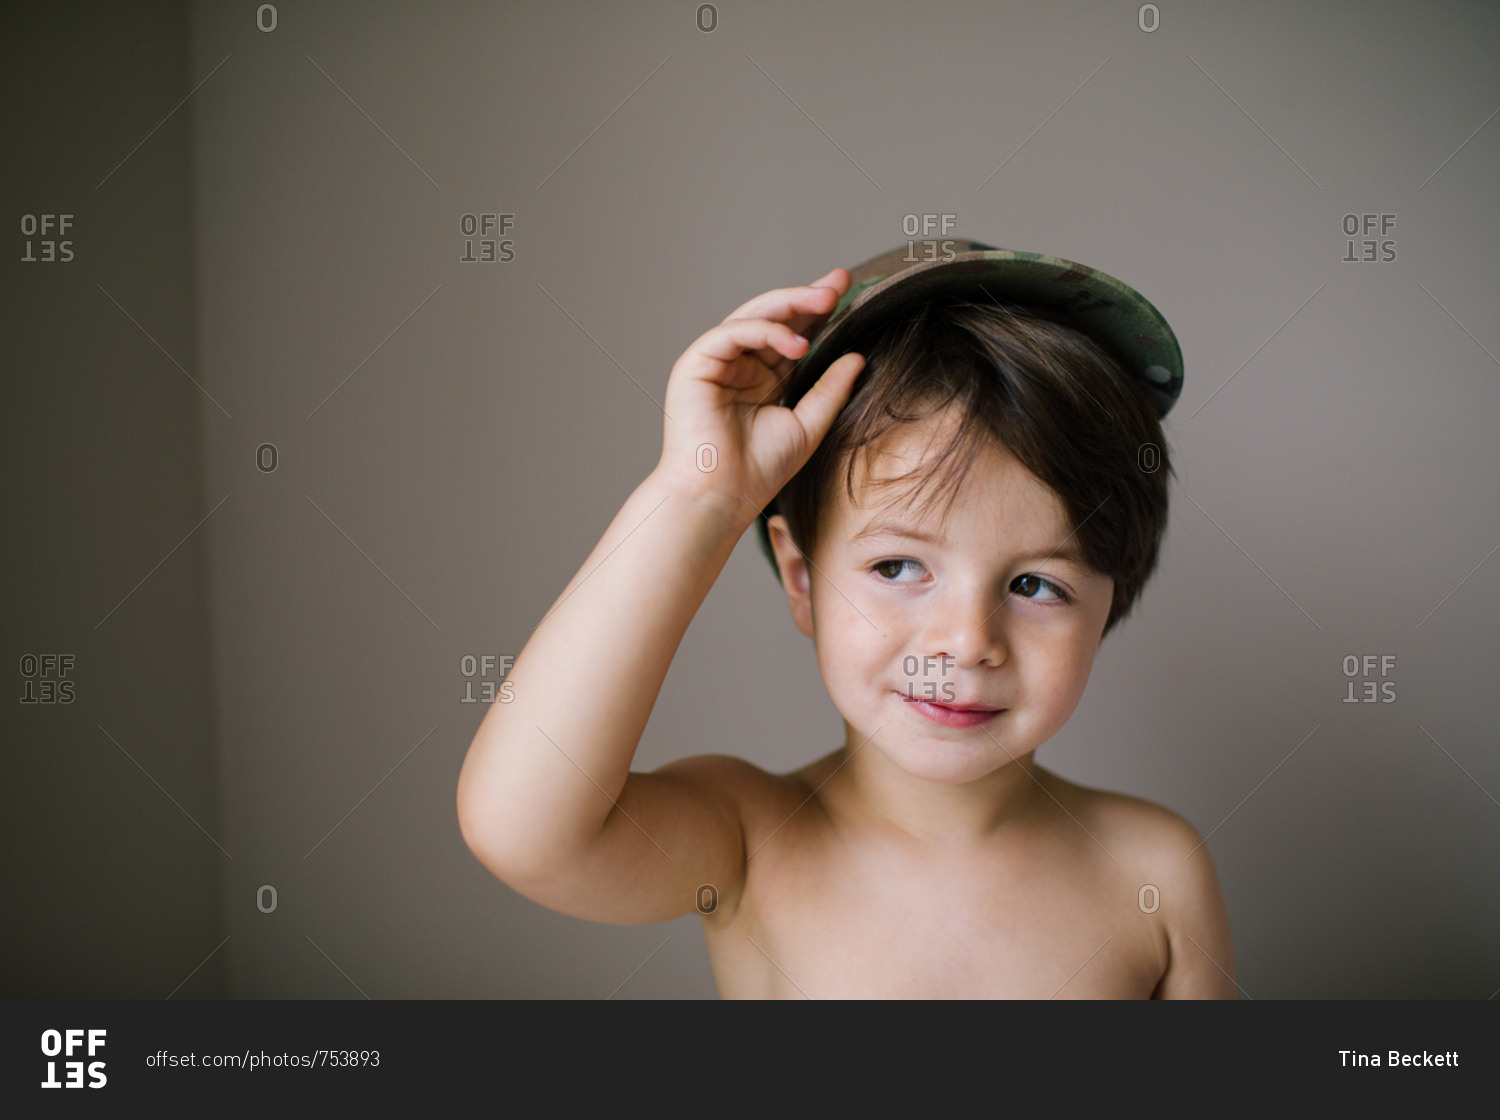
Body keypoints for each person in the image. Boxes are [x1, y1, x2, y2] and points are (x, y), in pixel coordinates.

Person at [456, 241, 1236, 998]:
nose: (966, 642)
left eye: (1034, 584)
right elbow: (522, 829)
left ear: (1108, 604)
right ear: (801, 579)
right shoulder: (748, 843)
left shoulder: (1156, 874)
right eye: (897, 568)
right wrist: (696, 497)